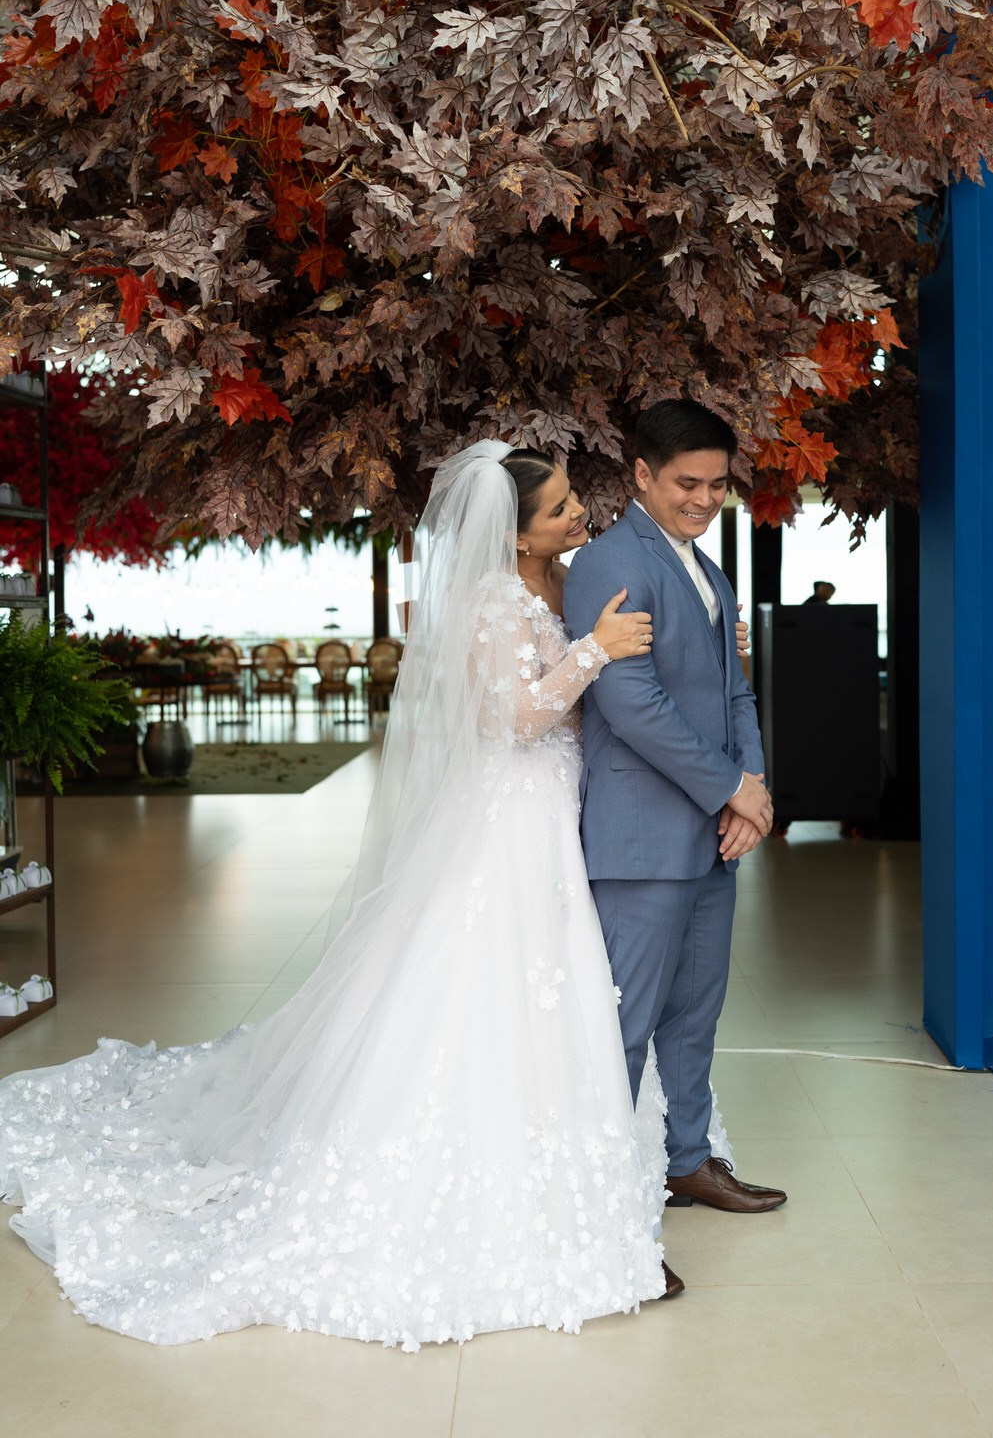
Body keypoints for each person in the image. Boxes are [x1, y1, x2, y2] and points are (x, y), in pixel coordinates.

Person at [0, 441, 676, 1349]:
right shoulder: (491, 603)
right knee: (482, 968)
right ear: (513, 538)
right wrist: (595, 650)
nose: (577, 516)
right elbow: (510, 719)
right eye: (558, 510)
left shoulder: (560, 583)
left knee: (547, 974)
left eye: (571, 502)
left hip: (556, 804)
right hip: (508, 814)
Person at [563, 400, 787, 1217]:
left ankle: (686, 1161)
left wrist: (750, 794)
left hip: (710, 838)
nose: (702, 500)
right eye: (685, 484)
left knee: (695, 1016)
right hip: (639, 840)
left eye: (717, 485)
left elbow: (734, 693)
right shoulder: (607, 563)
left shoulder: (707, 568)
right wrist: (729, 787)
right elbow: (631, 703)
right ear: (641, 476)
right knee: (622, 1028)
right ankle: (601, 1201)